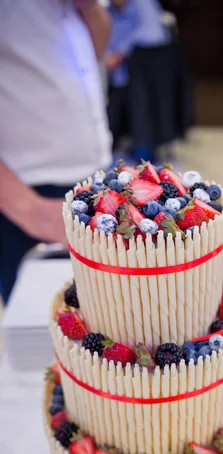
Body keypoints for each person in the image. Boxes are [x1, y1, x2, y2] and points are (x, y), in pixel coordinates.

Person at [0, 0, 112, 303]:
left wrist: (88, 7)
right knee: (45, 324)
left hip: (95, 174)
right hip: (28, 190)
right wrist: (25, 206)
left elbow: (96, 51)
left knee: (104, 313)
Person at [105, 0, 171, 162]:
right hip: (118, 74)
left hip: (145, 71)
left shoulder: (143, 5)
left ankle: (145, 155)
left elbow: (152, 34)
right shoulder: (107, 10)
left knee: (143, 116)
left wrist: (120, 54)